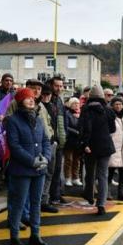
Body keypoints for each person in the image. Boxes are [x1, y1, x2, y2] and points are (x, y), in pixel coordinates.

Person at [6, 87, 51, 245]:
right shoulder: (12, 120)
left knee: (36, 203)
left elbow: (46, 140)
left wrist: (46, 157)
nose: (32, 100)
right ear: (20, 101)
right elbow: (14, 146)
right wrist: (32, 161)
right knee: (18, 204)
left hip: (39, 169)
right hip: (22, 169)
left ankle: (35, 235)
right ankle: (14, 237)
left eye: (32, 97)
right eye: (27, 98)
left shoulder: (38, 120)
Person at [78, 84, 116, 215]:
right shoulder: (109, 110)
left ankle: (89, 197)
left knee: (89, 173)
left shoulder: (86, 109)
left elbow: (83, 128)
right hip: (105, 146)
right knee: (103, 175)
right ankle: (101, 204)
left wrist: (85, 144)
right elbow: (113, 129)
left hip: (90, 146)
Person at [46, 76, 68, 205]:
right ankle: (48, 197)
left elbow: (62, 120)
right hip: (51, 140)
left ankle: (56, 194)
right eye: (57, 86)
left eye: (61, 86)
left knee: (58, 170)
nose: (59, 88)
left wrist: (65, 135)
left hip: (60, 140)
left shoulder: (59, 100)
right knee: (50, 171)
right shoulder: (47, 100)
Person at [63, 97, 83, 187]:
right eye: (74, 104)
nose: (76, 105)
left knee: (77, 160)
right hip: (70, 140)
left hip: (78, 141)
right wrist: (76, 132)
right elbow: (66, 126)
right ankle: (68, 177)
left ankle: (76, 178)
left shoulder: (81, 114)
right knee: (69, 160)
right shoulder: (67, 114)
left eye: (77, 104)